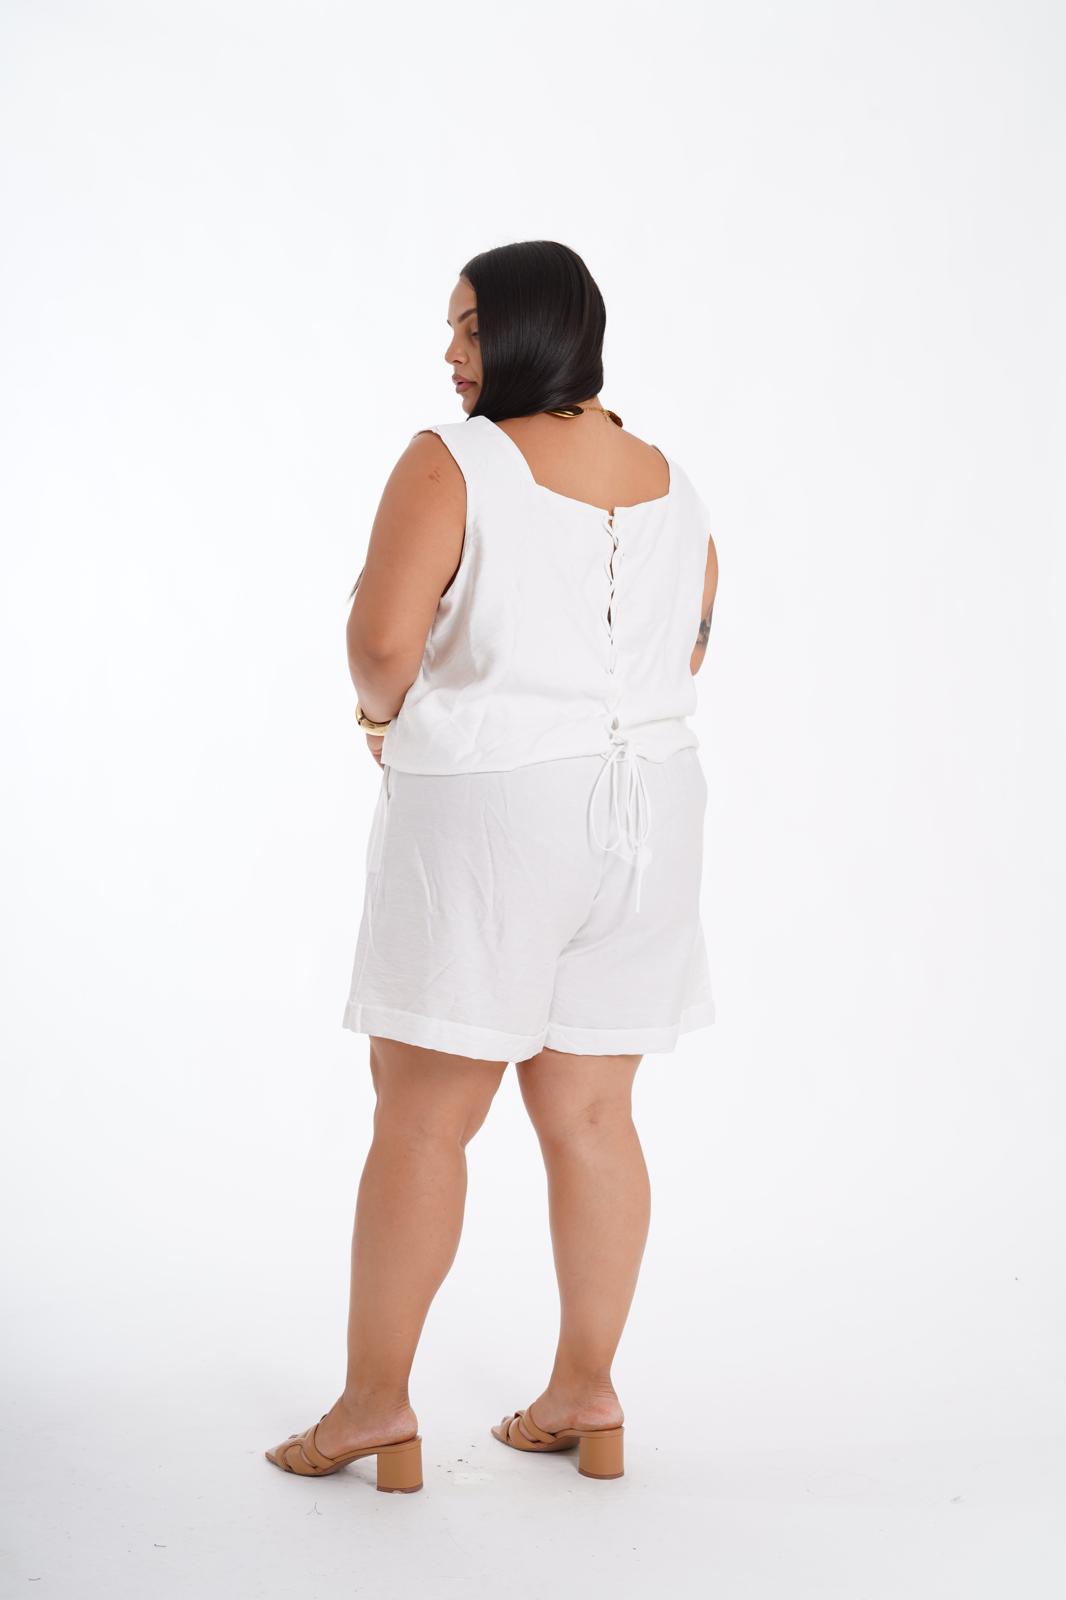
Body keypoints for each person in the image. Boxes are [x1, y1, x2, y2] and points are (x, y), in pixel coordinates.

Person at [266, 240, 719, 1492]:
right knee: (594, 1113)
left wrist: (380, 723)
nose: (450, 352)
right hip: (651, 813)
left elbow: (379, 643)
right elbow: (689, 645)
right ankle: (587, 1389)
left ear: (527, 331)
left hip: (492, 809)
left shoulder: (453, 461)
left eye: (468, 327)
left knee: (423, 1116)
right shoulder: (673, 482)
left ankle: (374, 1408)